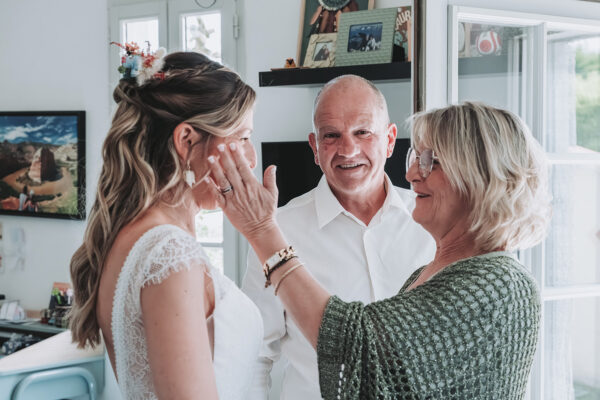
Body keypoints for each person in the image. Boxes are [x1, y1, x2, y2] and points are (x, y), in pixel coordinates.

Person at [209, 101, 551, 399]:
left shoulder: (496, 283)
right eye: (417, 157)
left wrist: (262, 232)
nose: (412, 173)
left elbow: (356, 347)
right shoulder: (435, 270)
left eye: (431, 161)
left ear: (479, 177)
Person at [69, 51, 263, 400]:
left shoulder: (130, 237)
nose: (250, 159)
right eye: (243, 138)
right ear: (187, 140)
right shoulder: (170, 253)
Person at [242, 75, 435, 399]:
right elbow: (255, 355)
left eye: (362, 132)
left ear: (389, 140)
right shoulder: (277, 231)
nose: (348, 150)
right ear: (315, 148)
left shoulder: (432, 220)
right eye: (332, 135)